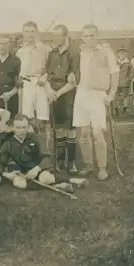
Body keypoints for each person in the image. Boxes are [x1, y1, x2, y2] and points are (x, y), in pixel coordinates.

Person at [73, 24, 119, 181]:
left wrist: (111, 94)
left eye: (92, 35)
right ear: (82, 38)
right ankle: (88, 165)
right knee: (83, 134)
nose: (89, 39)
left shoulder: (106, 51)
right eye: (86, 36)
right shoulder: (80, 53)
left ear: (97, 36)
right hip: (81, 94)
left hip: (98, 94)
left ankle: (102, 168)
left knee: (98, 133)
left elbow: (115, 73)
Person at [0, 114, 79, 191]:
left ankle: (55, 182)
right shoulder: (8, 144)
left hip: (38, 170)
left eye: (24, 127)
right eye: (18, 128)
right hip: (21, 174)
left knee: (45, 178)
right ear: (13, 127)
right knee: (18, 183)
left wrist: (36, 169)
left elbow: (48, 157)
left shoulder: (35, 138)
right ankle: (58, 185)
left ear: (28, 127)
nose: (21, 131)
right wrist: (6, 174)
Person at [44, 24, 78, 173]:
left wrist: (57, 94)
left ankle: (71, 163)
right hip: (53, 93)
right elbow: (46, 75)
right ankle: (59, 161)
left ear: (66, 36)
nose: (55, 38)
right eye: (54, 35)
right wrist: (49, 90)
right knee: (58, 129)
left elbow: (74, 81)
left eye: (58, 35)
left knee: (70, 128)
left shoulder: (74, 53)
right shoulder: (51, 54)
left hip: (67, 94)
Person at [16, 21, 52, 151]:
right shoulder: (20, 51)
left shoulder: (45, 48)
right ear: (23, 33)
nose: (29, 34)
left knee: (43, 120)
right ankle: (30, 150)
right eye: (27, 31)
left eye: (32, 31)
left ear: (36, 32)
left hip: (40, 84)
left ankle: (45, 151)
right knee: (27, 119)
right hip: (25, 84)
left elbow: (51, 68)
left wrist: (46, 76)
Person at [0, 35, 21, 117]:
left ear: (9, 44)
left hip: (12, 96)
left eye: (5, 43)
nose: (2, 46)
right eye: (0, 43)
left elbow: (19, 81)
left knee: (11, 120)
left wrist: (10, 93)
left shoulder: (16, 60)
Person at [115, 47, 134, 116]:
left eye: (124, 53)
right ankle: (116, 108)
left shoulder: (128, 63)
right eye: (120, 53)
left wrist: (128, 79)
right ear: (118, 55)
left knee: (125, 96)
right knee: (115, 96)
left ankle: (124, 108)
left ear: (126, 55)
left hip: (125, 83)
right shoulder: (115, 63)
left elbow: (132, 72)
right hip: (116, 82)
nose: (122, 54)